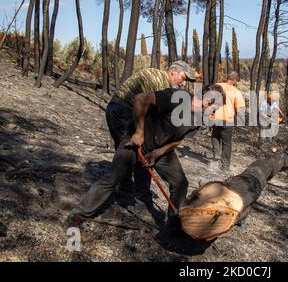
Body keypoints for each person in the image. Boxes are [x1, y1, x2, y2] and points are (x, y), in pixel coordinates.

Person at [66, 84, 226, 233]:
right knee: (112, 178)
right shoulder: (177, 96)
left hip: (160, 149)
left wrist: (157, 154)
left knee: (180, 183)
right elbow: (140, 99)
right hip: (134, 142)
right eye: (215, 107)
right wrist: (139, 132)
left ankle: (173, 227)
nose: (214, 112)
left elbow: (178, 140)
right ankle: (78, 215)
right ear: (206, 100)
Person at [106, 61, 196, 201]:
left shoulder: (159, 77)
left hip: (117, 109)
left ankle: (131, 189)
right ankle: (133, 192)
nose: (183, 83)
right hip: (123, 111)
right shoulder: (159, 81)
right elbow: (145, 105)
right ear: (174, 71)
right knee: (135, 151)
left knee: (133, 151)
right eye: (183, 78)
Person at [209, 72, 245, 170]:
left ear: (227, 78)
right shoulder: (236, 92)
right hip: (228, 119)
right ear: (234, 80)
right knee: (227, 142)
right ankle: (225, 165)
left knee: (215, 136)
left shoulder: (217, 86)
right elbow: (240, 108)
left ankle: (216, 155)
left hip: (215, 117)